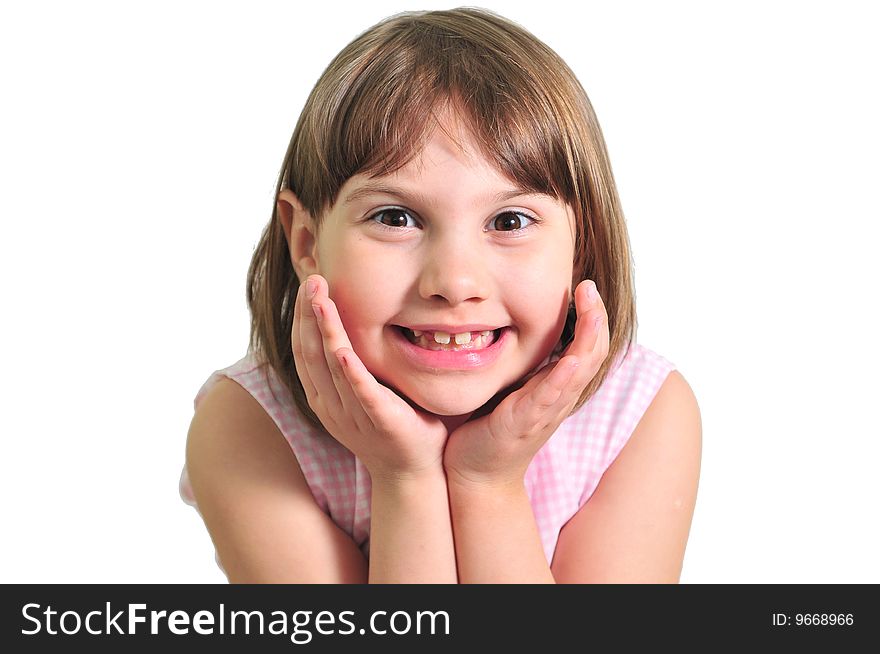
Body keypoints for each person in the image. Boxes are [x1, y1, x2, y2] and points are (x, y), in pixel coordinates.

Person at [179, 7, 701, 583]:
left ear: (582, 242)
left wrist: (488, 483)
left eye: (508, 222)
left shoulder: (638, 413)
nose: (454, 283)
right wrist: (403, 478)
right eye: (396, 217)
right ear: (306, 242)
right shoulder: (249, 426)